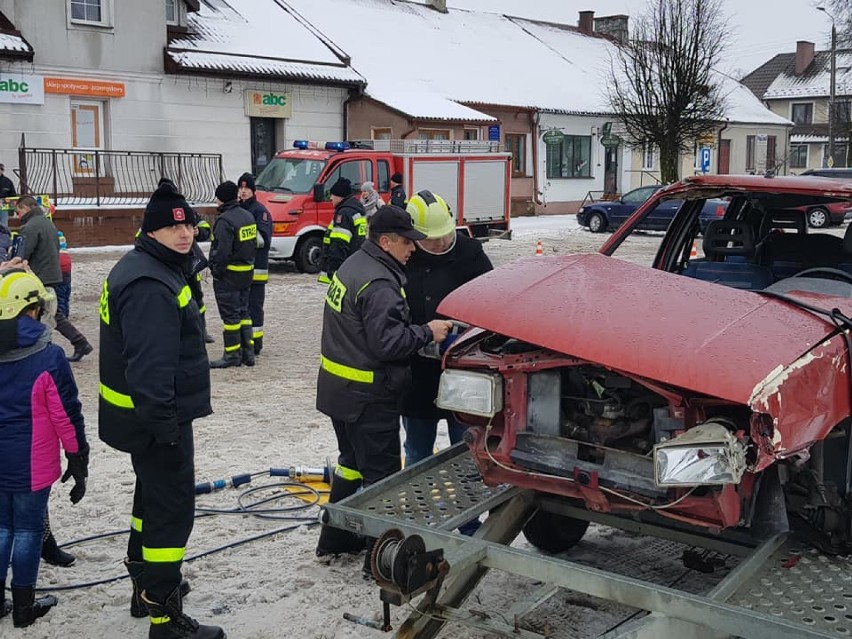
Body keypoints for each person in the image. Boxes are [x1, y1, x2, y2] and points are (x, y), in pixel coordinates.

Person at [98, 184, 224, 638]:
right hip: (155, 421)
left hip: (142, 419)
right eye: (172, 225)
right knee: (171, 513)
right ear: (151, 230)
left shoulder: (153, 267)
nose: (184, 232)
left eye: (188, 223)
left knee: (149, 501)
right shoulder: (151, 282)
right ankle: (164, 617)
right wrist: (167, 429)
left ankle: (143, 587)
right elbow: (150, 369)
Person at [315, 204, 453, 568]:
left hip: (339, 391)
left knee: (350, 464)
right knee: (383, 480)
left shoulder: (353, 266)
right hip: (369, 399)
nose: (413, 249)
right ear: (387, 241)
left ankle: (337, 540)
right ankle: (382, 562)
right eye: (408, 242)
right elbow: (388, 344)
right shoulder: (380, 283)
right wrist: (428, 331)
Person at [0, 268, 88, 628]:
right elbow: (66, 415)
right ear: (32, 309)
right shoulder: (48, 357)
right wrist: (77, 457)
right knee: (27, 531)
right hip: (33, 465)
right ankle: (24, 607)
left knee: (2, 528)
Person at [401, 190, 493, 463]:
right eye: (432, 239)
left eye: (446, 234)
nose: (441, 242)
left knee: (466, 450)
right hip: (416, 376)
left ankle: (469, 499)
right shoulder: (404, 258)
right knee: (417, 450)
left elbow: (492, 302)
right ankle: (418, 505)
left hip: (464, 373)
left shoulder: (471, 254)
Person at [14, 196, 93, 362]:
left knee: (41, 314)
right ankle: (80, 342)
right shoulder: (46, 222)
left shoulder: (30, 227)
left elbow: (21, 254)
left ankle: (42, 348)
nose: (17, 215)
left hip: (38, 275)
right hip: (52, 273)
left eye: (18, 211)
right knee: (51, 313)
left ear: (25, 208)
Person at [208, 181, 257, 368]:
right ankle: (248, 353)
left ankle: (232, 355)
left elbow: (221, 252)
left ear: (221, 198)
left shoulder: (224, 221)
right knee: (244, 312)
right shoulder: (248, 216)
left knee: (230, 317)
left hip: (228, 276)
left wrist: (216, 271)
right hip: (246, 273)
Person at [237, 173, 272, 355]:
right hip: (241, 270)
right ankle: (244, 341)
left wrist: (242, 237)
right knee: (241, 308)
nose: (243, 192)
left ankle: (255, 344)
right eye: (241, 188)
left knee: (254, 308)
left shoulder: (260, 211)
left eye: (246, 188)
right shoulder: (238, 210)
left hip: (256, 271)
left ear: (253, 190)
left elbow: (263, 240)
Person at [317, 177, 366, 285]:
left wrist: (335, 270)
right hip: (355, 264)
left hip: (343, 268)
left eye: (333, 195)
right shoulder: (356, 211)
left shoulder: (343, 214)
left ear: (340, 196)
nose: (330, 198)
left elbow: (339, 244)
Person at [55, 231, 72, 319]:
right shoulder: (65, 253)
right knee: (66, 295)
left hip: (60, 271)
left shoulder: (57, 255)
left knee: (60, 296)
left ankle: (61, 316)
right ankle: (66, 313)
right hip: (67, 272)